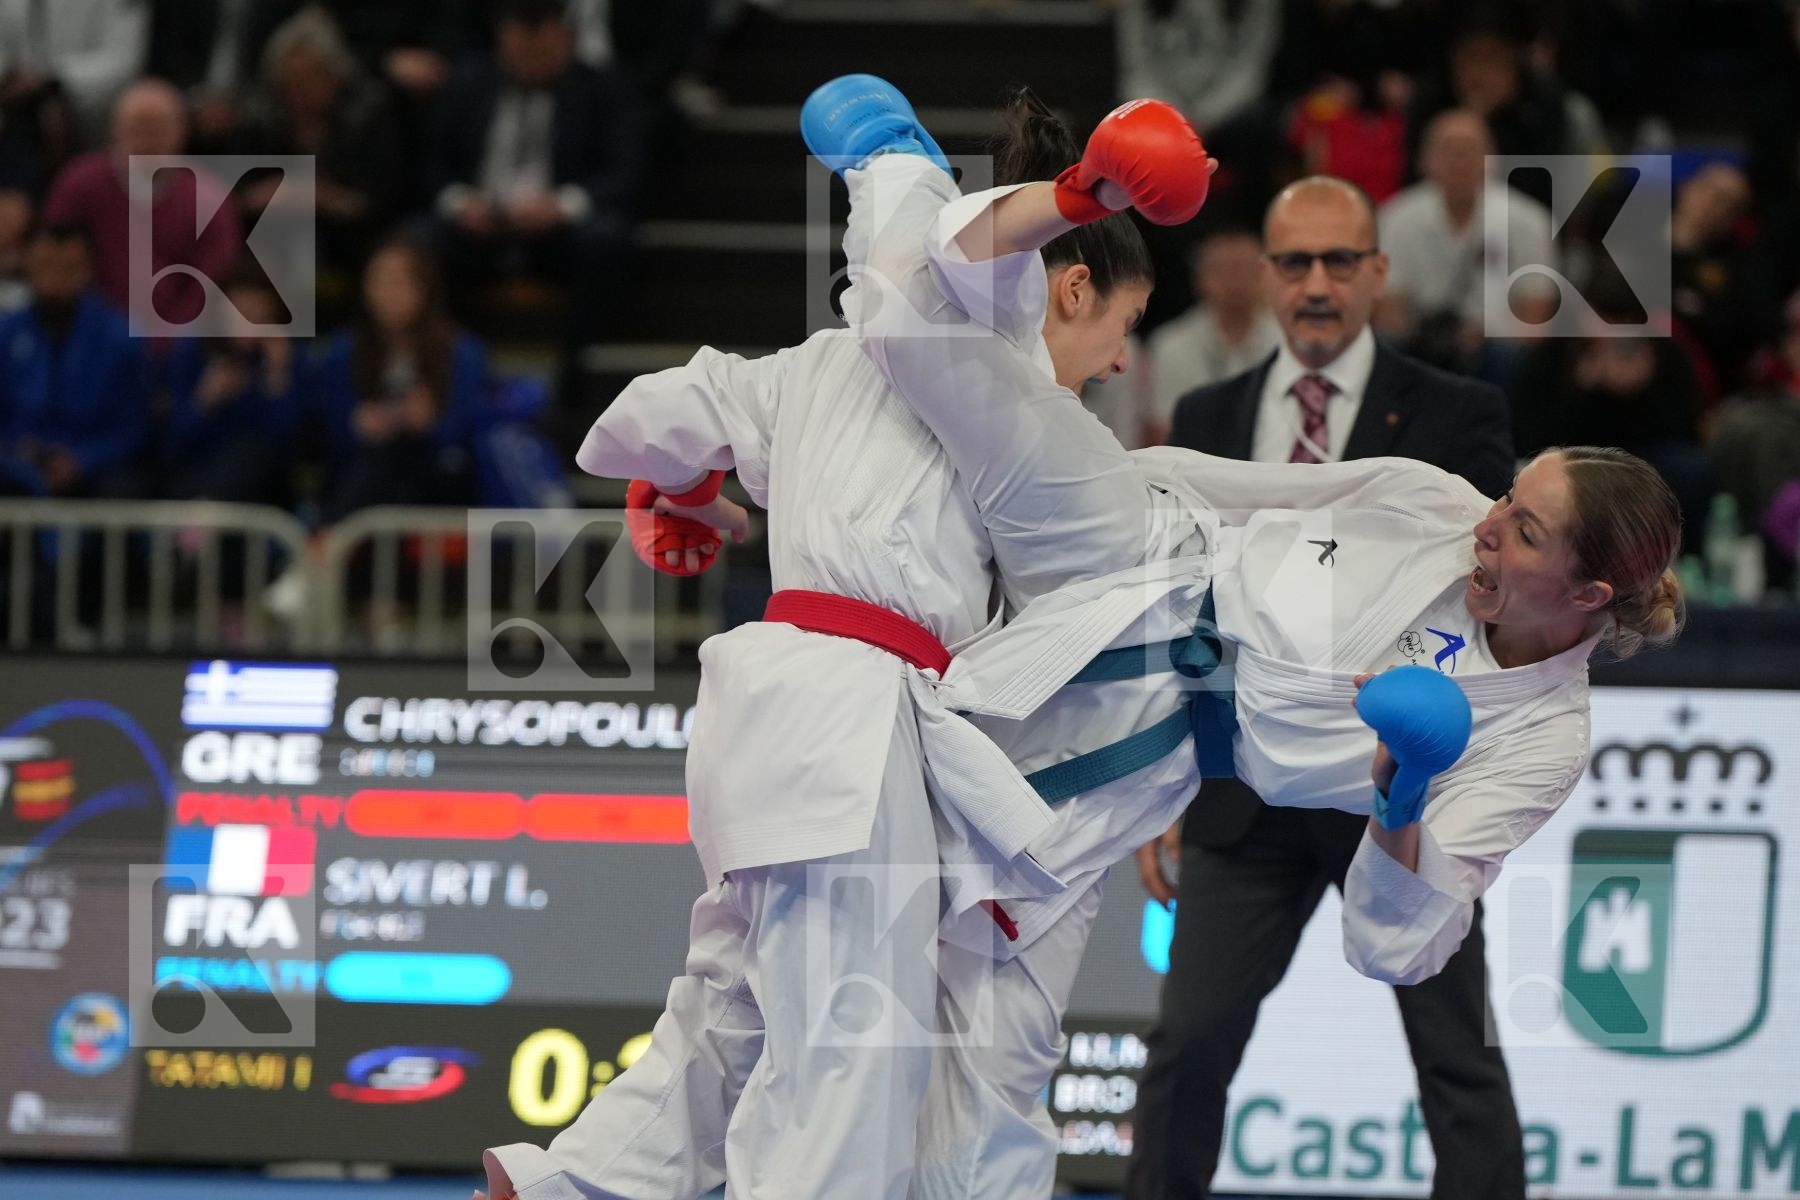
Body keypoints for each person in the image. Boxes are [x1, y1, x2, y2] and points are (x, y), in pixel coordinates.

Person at [840, 105, 1684, 1200]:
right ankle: (894, 168)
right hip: (1158, 567)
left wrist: (1406, 790)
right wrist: (1058, 494)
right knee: (960, 379)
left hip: (1188, 751)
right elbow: (1230, 486)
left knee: (980, 959)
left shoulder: (1540, 739)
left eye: (1522, 529)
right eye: (1508, 499)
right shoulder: (1436, 500)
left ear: (1587, 593)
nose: (1487, 523)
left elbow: (1394, 943)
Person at [476, 76, 1205, 1200]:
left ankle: (568, 1186)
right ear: (1066, 285)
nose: (1119, 360)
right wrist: (1079, 190)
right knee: (845, 1066)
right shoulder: (989, 356)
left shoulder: (820, 365)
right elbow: (939, 253)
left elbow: (661, 406)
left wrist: (682, 487)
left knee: (731, 1006)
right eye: (1124, 325)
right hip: (852, 729)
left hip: (763, 719)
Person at [1130, 172, 1524, 1200]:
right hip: (1241, 796)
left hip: (1393, 790)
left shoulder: (1458, 412)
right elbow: (1177, 609)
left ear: (1377, 272)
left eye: (1338, 261)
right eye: (1295, 262)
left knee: (1459, 1059)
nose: (1316, 284)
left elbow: (1495, 603)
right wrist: (1156, 786)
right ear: (1264, 275)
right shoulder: (1207, 412)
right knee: (1186, 1051)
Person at [311, 239, 490, 526]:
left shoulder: (461, 351)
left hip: (437, 478)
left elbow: (469, 430)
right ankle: (331, 535)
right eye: (379, 282)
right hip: (363, 471)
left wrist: (431, 424)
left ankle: (326, 536)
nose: (390, 294)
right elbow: (327, 432)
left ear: (425, 289)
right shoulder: (343, 350)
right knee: (381, 456)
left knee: (399, 454)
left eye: (401, 283)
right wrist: (355, 425)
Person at [42, 79, 244, 331]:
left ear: (182, 131)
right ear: (114, 129)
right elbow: (53, 262)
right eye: (137, 128)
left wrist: (167, 338)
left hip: (178, 340)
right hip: (89, 331)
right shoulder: (79, 186)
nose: (148, 140)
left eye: (159, 128)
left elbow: (213, 286)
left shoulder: (210, 199)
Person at [0, 222, 148, 498]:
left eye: (68, 268)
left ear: (90, 269)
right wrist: (17, 451)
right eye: (45, 265)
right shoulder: (5, 333)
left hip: (95, 472)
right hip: (15, 467)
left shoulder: (120, 338)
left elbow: (132, 428)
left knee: (122, 491)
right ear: (27, 265)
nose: (55, 277)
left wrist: (82, 459)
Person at [1144, 228, 1281, 441]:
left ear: (1267, 276)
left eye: (1247, 269)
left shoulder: (1286, 340)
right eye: (1224, 270)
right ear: (1199, 278)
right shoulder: (1171, 344)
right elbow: (1163, 430)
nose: (1235, 280)